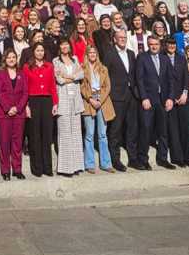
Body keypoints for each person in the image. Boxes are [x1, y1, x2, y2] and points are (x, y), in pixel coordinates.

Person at [135, 35, 176, 170]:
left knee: (163, 130)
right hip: (148, 100)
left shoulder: (164, 59)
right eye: (151, 44)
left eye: (156, 44)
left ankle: (163, 158)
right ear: (148, 45)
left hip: (163, 99)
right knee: (146, 129)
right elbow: (139, 79)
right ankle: (143, 159)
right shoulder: (142, 58)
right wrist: (144, 97)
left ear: (160, 45)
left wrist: (170, 97)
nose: (154, 46)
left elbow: (171, 80)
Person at [103, 30, 139, 172]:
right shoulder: (109, 54)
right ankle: (115, 159)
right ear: (115, 39)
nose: (123, 40)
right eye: (120, 38)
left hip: (131, 95)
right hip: (117, 97)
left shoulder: (130, 53)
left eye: (124, 37)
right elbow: (105, 75)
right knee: (115, 129)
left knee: (132, 128)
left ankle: (133, 158)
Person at [22, 42, 58, 177]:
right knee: (35, 135)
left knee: (47, 135)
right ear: (33, 52)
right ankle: (37, 168)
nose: (40, 53)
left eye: (42, 50)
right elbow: (25, 87)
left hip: (47, 101)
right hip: (33, 101)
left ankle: (47, 167)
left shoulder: (49, 66)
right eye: (37, 50)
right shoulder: (27, 67)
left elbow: (53, 85)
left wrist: (55, 103)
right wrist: (26, 106)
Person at [80, 45, 116, 173]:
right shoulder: (82, 69)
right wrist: (90, 99)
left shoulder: (103, 69)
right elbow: (82, 87)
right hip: (89, 102)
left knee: (102, 134)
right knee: (89, 134)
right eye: (90, 53)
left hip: (103, 101)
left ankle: (106, 163)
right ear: (87, 54)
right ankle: (89, 164)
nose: (92, 54)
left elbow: (108, 86)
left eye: (94, 52)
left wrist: (100, 100)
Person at [53, 38, 85, 176]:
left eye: (66, 44)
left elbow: (81, 74)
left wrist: (68, 76)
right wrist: (73, 76)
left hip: (76, 99)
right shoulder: (56, 61)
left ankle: (77, 165)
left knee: (76, 133)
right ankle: (66, 168)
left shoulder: (75, 59)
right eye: (62, 44)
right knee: (65, 133)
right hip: (63, 99)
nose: (65, 46)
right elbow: (59, 79)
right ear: (60, 47)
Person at [0, 48, 28, 180]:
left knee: (17, 142)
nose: (11, 59)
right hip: (4, 113)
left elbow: (25, 93)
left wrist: (18, 108)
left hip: (19, 113)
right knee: (4, 142)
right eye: (9, 57)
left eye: (13, 57)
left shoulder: (21, 73)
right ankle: (5, 170)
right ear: (5, 59)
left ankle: (17, 169)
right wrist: (8, 108)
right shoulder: (0, 73)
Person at [164, 38, 189, 167]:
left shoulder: (181, 58)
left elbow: (186, 76)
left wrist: (185, 93)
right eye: (169, 44)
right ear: (166, 45)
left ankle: (188, 158)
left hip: (183, 97)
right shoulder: (162, 57)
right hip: (169, 98)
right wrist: (170, 97)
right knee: (173, 129)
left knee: (186, 128)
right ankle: (178, 158)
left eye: (173, 44)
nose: (172, 46)